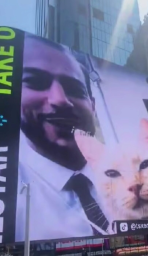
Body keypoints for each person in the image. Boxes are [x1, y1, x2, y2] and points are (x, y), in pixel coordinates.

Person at [15, 34, 107, 242]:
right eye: (35, 82)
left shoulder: (125, 171)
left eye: (75, 89)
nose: (60, 100)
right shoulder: (9, 194)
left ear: (92, 106)